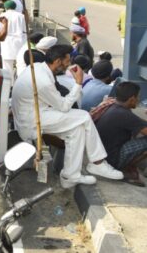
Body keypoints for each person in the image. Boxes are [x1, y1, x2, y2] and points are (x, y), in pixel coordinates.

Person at [11, 44, 123, 188]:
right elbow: (64, 106)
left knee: (77, 130)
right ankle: (98, 163)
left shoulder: (39, 67)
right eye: (67, 61)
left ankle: (70, 175)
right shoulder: (42, 80)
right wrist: (78, 83)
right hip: (32, 120)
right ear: (58, 61)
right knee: (83, 116)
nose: (68, 65)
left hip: (35, 114)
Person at [94, 81, 147, 186]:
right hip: (112, 160)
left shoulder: (113, 106)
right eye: (138, 97)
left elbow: (140, 124)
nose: (138, 100)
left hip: (103, 154)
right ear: (132, 99)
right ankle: (125, 166)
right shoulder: (124, 114)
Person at [0, 0, 26, 78]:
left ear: (5, 7)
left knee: (7, 67)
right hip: (19, 42)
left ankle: (8, 86)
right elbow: (25, 30)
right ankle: (20, 83)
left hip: (6, 43)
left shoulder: (2, 16)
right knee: (21, 65)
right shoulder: (21, 16)